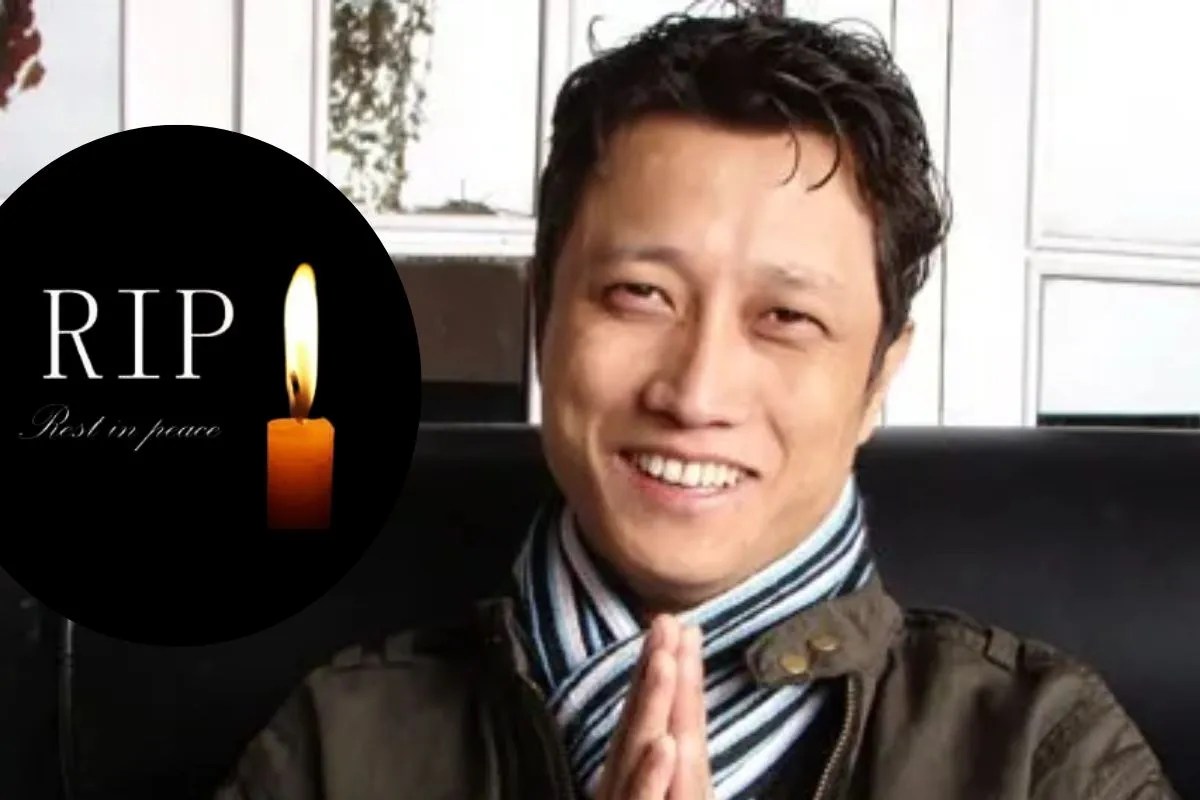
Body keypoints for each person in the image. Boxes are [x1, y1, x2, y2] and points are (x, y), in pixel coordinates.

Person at [214, 8, 1178, 799]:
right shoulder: (341, 749)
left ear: (878, 380)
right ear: (544, 316)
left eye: (788, 317)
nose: (695, 392)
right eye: (640, 295)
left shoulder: (1044, 757)